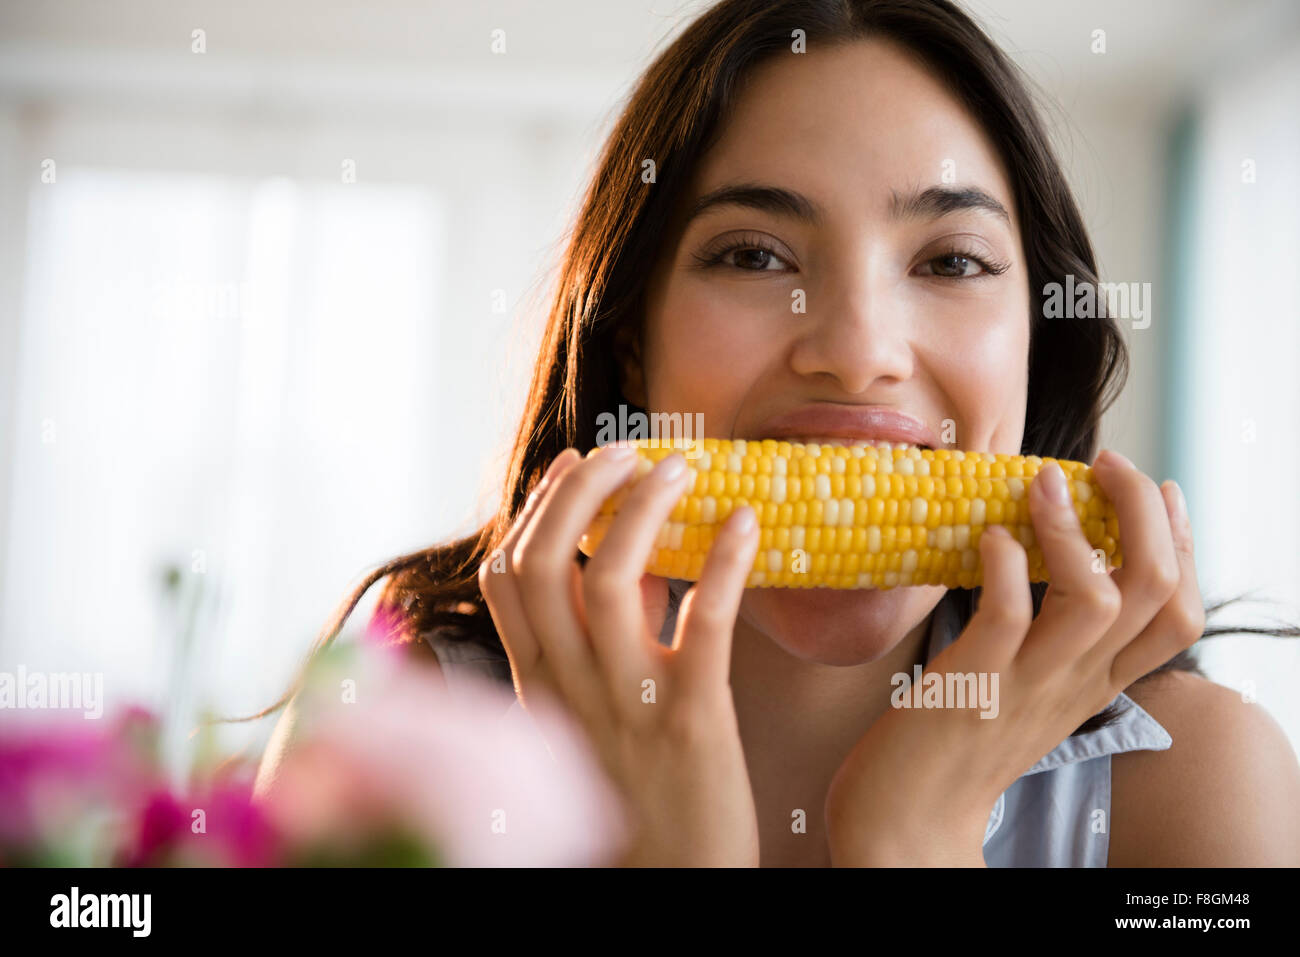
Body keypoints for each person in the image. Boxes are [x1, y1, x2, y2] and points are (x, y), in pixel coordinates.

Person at [247, 0, 1300, 866]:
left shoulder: (1193, 792)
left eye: (949, 262)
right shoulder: (405, 736)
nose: (854, 349)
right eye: (754, 256)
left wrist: (908, 843)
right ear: (627, 345)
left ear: (1037, 343)